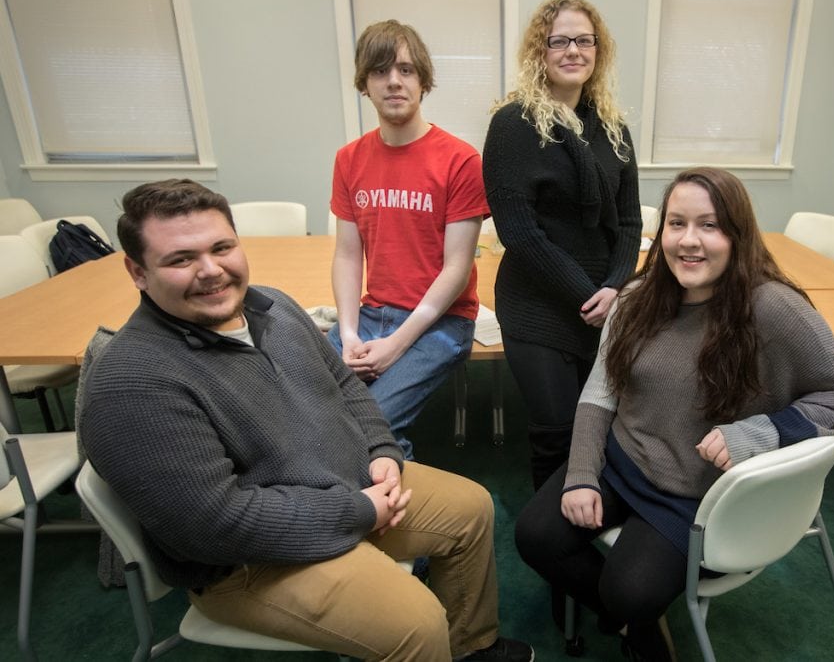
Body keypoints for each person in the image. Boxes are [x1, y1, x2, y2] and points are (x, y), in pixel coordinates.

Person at [78, 179, 532, 662]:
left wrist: (382, 451)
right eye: (180, 259)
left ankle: (469, 648)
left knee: (470, 507)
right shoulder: (133, 384)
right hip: (250, 562)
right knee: (415, 625)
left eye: (222, 247)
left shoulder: (273, 305)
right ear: (138, 271)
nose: (210, 271)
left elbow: (345, 386)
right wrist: (356, 511)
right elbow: (213, 526)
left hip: (344, 484)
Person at [514, 167, 834, 661]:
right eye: (676, 224)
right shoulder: (638, 299)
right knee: (534, 537)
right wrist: (580, 474)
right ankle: (634, 622)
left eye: (709, 225)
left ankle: (633, 616)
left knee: (629, 591)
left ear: (737, 234)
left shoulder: (773, 308)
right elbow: (600, 393)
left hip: (696, 491)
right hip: (624, 461)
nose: (689, 241)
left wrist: (759, 431)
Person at [483, 0, 641, 492]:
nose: (573, 50)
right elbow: (520, 232)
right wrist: (584, 293)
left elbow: (631, 223)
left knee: (601, 423)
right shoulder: (513, 125)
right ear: (541, 51)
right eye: (560, 41)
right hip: (537, 304)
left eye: (584, 40)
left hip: (604, 301)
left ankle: (591, 508)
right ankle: (553, 539)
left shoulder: (613, 128)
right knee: (557, 430)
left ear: (599, 50)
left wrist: (615, 285)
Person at [328, 20, 488, 460]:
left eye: (405, 69)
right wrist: (346, 333)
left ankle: (401, 512)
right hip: (371, 314)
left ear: (423, 79)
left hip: (441, 323)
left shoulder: (460, 160)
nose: (394, 81)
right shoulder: (349, 159)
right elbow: (346, 254)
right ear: (365, 83)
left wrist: (396, 346)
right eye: (380, 71)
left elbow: (457, 270)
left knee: (368, 427)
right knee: (305, 404)